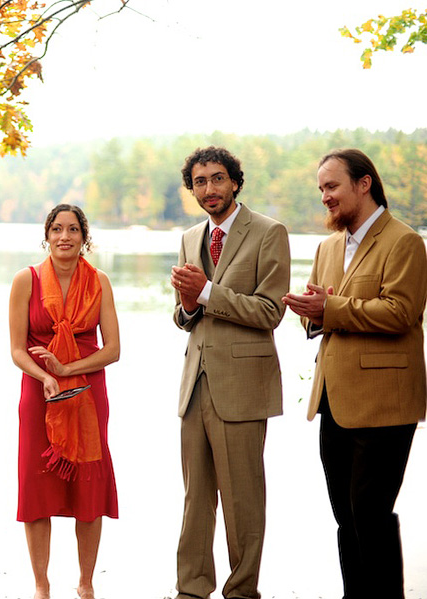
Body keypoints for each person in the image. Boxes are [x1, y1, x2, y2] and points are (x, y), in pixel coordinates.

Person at [282, 149, 426, 599]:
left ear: (364, 184)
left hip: (386, 402)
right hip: (333, 400)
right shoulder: (327, 247)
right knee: (346, 516)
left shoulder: (404, 241)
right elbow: (321, 316)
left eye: (332, 186)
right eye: (321, 189)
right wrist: (310, 313)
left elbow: (401, 313)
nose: (325, 196)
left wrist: (329, 308)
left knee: (370, 513)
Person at [169, 147, 290, 599]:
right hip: (194, 384)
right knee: (195, 499)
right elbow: (184, 316)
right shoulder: (189, 237)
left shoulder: (269, 232)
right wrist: (187, 306)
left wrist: (206, 293)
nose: (209, 189)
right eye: (200, 182)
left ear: (235, 181)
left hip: (242, 386)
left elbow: (270, 311)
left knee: (243, 500)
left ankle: (241, 592)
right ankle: (191, 589)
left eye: (217, 178)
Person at [9, 203, 120, 599]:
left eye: (73, 229)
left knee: (88, 485)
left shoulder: (100, 282)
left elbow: (113, 350)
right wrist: (46, 376)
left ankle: (86, 583)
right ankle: (41, 585)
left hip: (87, 392)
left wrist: (67, 369)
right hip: (39, 391)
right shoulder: (26, 280)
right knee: (37, 485)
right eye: (57, 229)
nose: (64, 236)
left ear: (84, 237)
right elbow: (17, 350)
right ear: (47, 236)